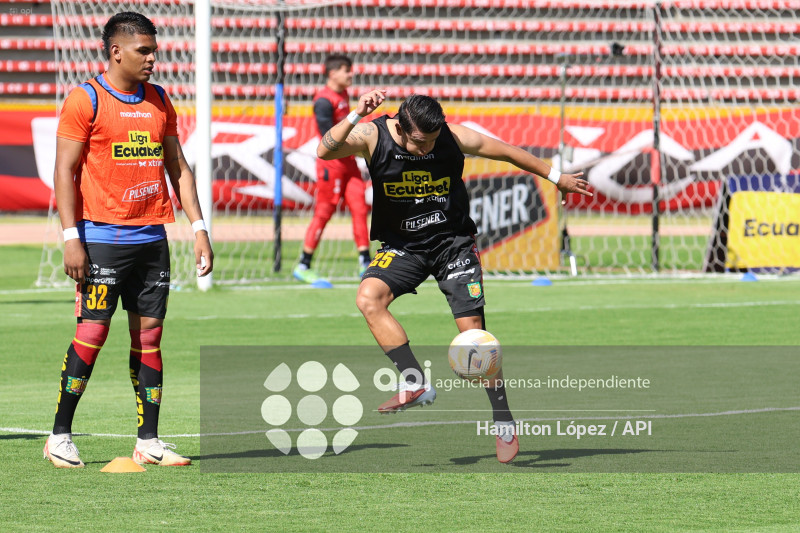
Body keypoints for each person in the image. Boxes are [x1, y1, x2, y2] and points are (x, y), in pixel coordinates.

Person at [317, 90, 591, 463]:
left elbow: (509, 151)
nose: (427, 148)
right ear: (399, 126)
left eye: (433, 140)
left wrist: (557, 177)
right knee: (368, 298)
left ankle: (503, 418)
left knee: (473, 336)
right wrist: (354, 114)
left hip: (453, 244)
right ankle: (414, 382)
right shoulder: (372, 135)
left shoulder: (453, 136)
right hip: (403, 246)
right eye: (419, 141)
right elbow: (325, 151)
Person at [43, 12, 213, 468]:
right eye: (144, 50)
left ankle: (149, 441)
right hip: (100, 239)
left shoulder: (159, 99)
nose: (153, 59)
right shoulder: (86, 99)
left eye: (154, 50)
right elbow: (64, 170)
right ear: (116, 51)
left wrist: (199, 229)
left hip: (152, 240)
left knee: (151, 340)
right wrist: (70, 236)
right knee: (92, 334)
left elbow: (177, 168)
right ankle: (59, 435)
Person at [293, 55, 371, 285]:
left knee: (359, 207)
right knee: (324, 212)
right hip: (331, 165)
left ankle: (365, 262)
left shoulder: (343, 95)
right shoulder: (323, 101)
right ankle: (303, 265)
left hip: (348, 163)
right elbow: (328, 138)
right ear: (332, 73)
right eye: (347, 70)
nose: (351, 75)